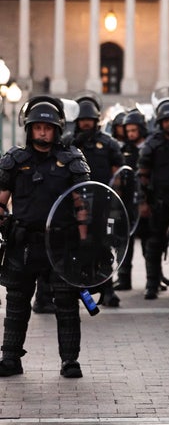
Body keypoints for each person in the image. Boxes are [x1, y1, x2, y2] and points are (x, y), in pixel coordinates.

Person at [0, 96, 91, 378]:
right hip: (24, 243)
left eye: (48, 127)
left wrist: (85, 245)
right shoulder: (15, 160)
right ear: (29, 129)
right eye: (37, 127)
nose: (42, 132)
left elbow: (82, 206)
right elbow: (1, 202)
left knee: (66, 304)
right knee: (17, 302)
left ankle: (69, 361)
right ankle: (11, 357)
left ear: (57, 130)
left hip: (61, 244)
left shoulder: (72, 160)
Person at [64, 92, 124, 308]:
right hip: (75, 206)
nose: (86, 124)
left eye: (89, 120)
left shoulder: (109, 144)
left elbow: (118, 176)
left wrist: (116, 204)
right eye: (82, 120)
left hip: (102, 205)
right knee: (75, 249)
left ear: (96, 120)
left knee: (104, 248)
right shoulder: (67, 144)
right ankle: (73, 291)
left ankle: (107, 289)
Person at [137, 99, 169, 301]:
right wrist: (143, 202)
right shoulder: (152, 144)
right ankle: (152, 284)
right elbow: (142, 175)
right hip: (157, 201)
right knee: (154, 245)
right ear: (160, 122)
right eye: (165, 120)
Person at [113, 109, 149, 292]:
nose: (131, 134)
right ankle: (124, 278)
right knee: (124, 241)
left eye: (134, 130)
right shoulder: (124, 150)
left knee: (149, 244)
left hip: (145, 201)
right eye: (129, 131)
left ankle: (152, 281)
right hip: (127, 202)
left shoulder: (149, 147)